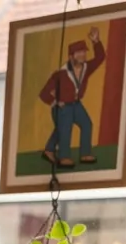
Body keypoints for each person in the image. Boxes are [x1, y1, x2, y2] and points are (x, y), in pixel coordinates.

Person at [40, 27, 105, 168]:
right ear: (71, 56)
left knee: (86, 124)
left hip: (76, 104)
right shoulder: (60, 74)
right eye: (79, 53)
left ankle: (84, 153)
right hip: (62, 107)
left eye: (84, 52)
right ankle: (64, 157)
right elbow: (43, 93)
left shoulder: (86, 68)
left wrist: (96, 42)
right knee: (65, 128)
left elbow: (100, 58)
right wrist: (55, 102)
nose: (82, 55)